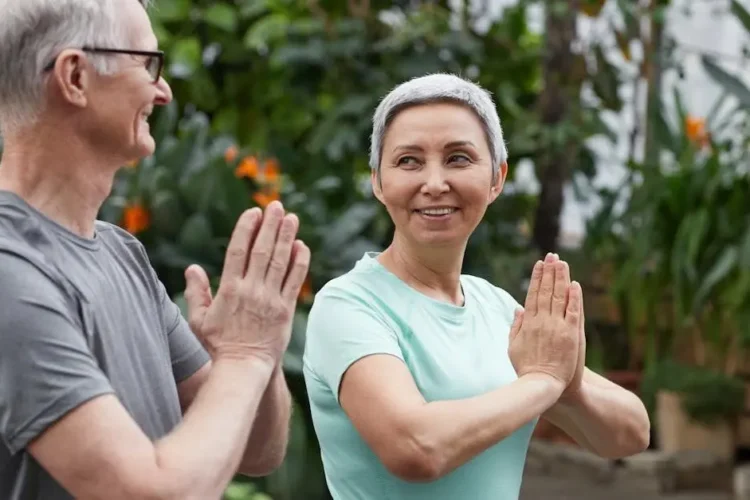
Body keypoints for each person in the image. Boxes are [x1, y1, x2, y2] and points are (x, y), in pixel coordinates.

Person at [0, 1, 310, 499]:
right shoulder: (10, 272)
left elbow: (256, 450)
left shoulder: (123, 253)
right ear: (75, 76)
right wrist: (246, 354)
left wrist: (260, 351)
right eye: (147, 64)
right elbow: (152, 493)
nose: (163, 90)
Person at [302, 73, 651, 499]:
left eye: (459, 158)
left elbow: (631, 434)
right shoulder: (348, 306)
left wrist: (568, 383)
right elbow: (415, 448)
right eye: (408, 161)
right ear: (378, 181)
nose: (434, 183)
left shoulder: (497, 308)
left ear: (496, 179)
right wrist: (541, 381)